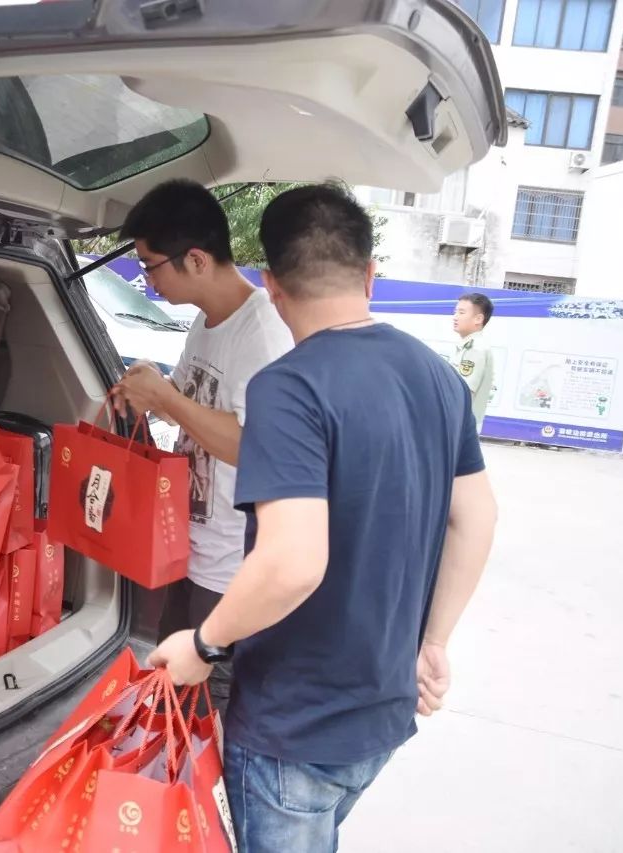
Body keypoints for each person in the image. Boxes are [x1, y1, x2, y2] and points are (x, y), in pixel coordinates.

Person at [149, 184, 498, 852]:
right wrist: (433, 641)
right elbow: (476, 517)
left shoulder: (288, 387)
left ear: (271, 285)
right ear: (371, 274)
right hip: (383, 707)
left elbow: (292, 560)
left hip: (295, 727)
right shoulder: (436, 376)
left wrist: (201, 646)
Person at [110, 179, 293, 714]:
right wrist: (151, 398)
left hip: (232, 569)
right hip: (190, 547)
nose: (147, 280)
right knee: (173, 699)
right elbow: (189, 410)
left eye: (151, 265)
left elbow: (253, 445)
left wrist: (166, 395)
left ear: (194, 259)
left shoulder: (263, 332)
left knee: (207, 712)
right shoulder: (205, 323)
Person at [451, 293, 496, 429]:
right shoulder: (467, 346)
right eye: (455, 312)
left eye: (461, 312)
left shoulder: (475, 349)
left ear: (478, 319)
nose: (455, 317)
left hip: (460, 424)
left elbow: (464, 392)